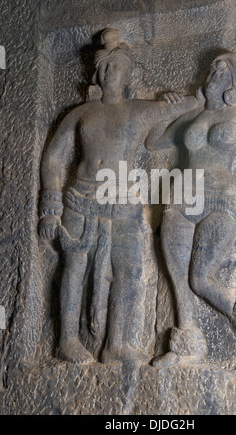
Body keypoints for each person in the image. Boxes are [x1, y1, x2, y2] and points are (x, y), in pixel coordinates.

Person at [39, 29, 201, 365]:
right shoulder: (81, 114)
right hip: (80, 197)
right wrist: (50, 204)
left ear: (128, 75)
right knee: (74, 267)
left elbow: (194, 102)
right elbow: (54, 157)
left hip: (124, 201)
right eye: (105, 66)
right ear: (96, 74)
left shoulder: (140, 110)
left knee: (129, 270)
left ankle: (117, 344)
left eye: (117, 66)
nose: (111, 71)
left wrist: (178, 99)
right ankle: (66, 340)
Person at [146, 53, 236, 368]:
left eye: (223, 69)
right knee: (178, 277)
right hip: (183, 197)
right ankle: (189, 343)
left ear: (233, 82)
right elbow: (153, 142)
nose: (214, 73)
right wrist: (171, 105)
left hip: (223, 198)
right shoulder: (193, 112)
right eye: (212, 68)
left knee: (200, 278)